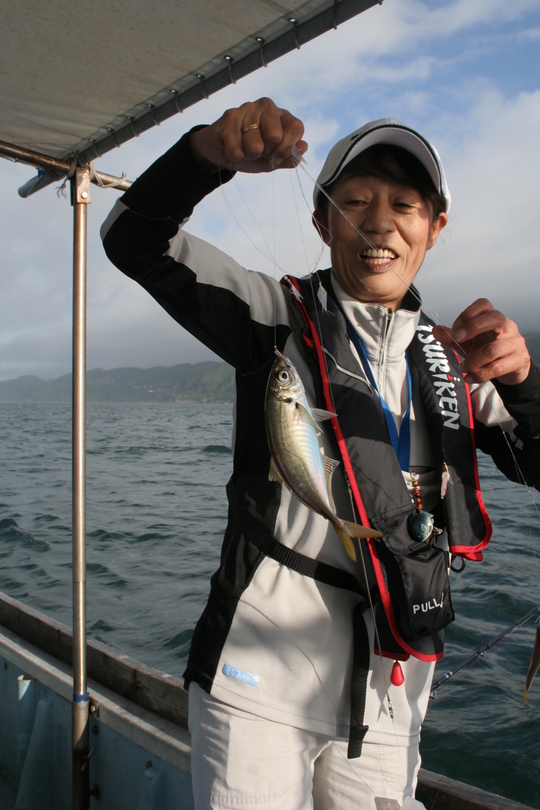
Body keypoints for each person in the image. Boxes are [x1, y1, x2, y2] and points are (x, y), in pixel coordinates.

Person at [101, 98, 540, 809]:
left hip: (394, 690)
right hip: (257, 682)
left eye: (405, 203)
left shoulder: (458, 364)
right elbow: (131, 240)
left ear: (436, 228)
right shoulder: (271, 317)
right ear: (321, 221)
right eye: (356, 201)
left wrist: (524, 386)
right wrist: (206, 155)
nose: (379, 222)